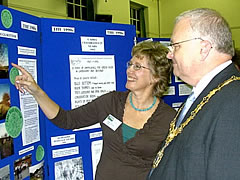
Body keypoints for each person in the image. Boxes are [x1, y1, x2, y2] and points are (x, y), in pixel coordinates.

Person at [12, 40, 176, 180]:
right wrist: (36, 91)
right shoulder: (111, 102)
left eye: (138, 66)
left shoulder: (169, 119)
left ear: (156, 76)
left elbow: (174, 166)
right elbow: (67, 120)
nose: (129, 70)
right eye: (130, 64)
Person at [148, 8, 240, 180]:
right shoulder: (207, 94)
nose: (169, 54)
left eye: (176, 46)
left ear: (204, 48)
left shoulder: (234, 103)